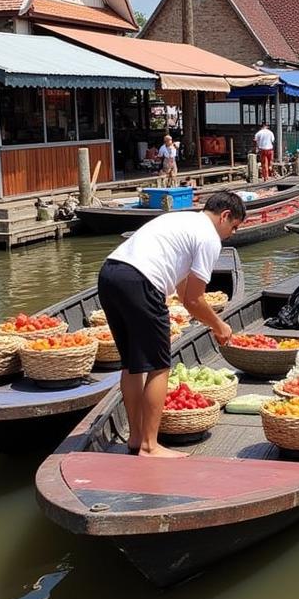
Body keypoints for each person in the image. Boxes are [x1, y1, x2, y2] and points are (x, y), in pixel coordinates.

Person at [97, 191, 245, 458]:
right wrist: (219, 326)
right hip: (141, 282)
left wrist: (204, 316)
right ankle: (150, 446)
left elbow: (183, 288)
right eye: (233, 227)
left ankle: (136, 437)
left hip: (110, 274)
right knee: (158, 366)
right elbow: (194, 299)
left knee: (131, 364)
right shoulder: (209, 238)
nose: (231, 234)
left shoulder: (183, 220)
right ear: (224, 216)